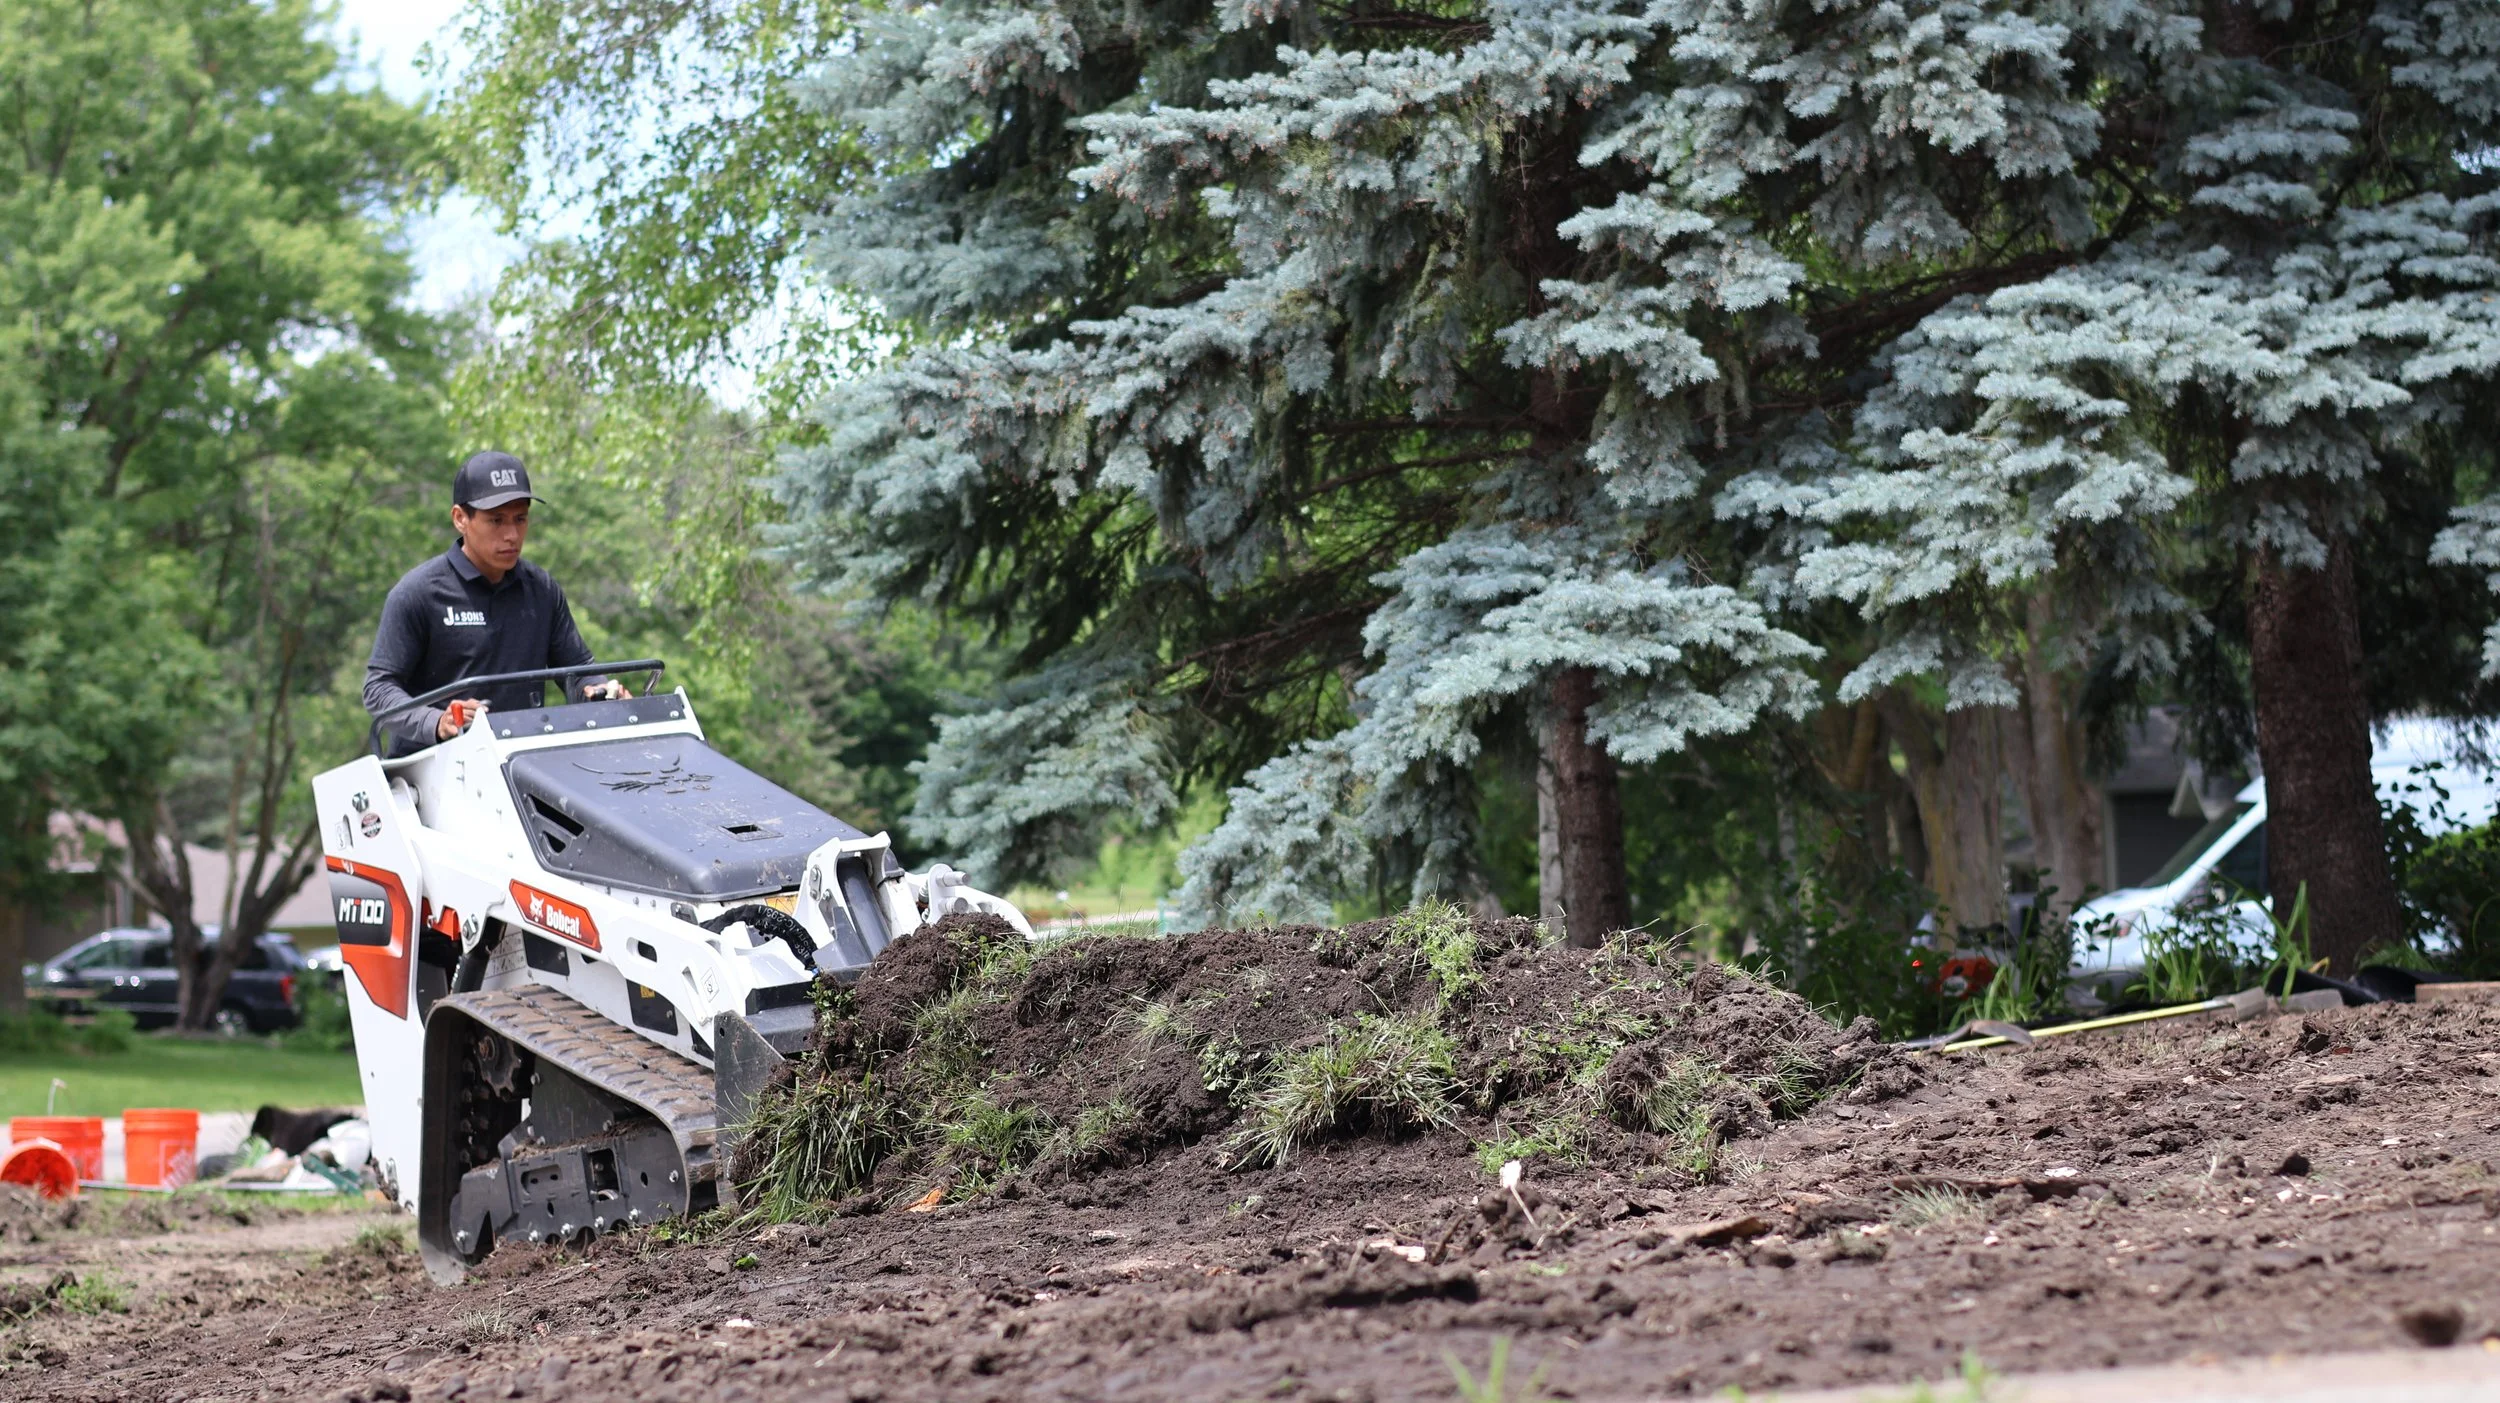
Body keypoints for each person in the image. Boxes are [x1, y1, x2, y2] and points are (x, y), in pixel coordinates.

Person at [363, 451, 627, 753]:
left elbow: (579, 670)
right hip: (431, 776)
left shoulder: (541, 590)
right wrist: (436, 721)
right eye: (496, 520)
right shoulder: (418, 593)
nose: (512, 535)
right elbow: (378, 689)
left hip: (521, 766)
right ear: (460, 518)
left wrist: (601, 692)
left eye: (520, 519)